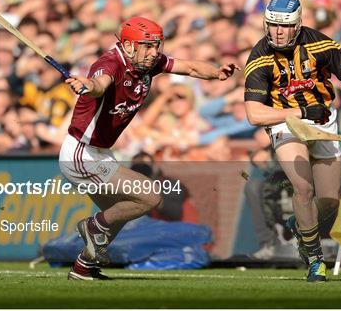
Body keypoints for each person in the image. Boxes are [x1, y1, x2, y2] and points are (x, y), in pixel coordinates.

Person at [59, 16, 239, 280]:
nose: (155, 53)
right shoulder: (109, 64)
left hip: (100, 152)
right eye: (148, 46)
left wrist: (216, 72)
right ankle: (91, 226)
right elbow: (100, 84)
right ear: (129, 46)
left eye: (157, 46)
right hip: (80, 153)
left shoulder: (147, 63)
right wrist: (88, 86)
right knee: (150, 196)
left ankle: (83, 267)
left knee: (120, 212)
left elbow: (188, 68)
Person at [243, 0, 341, 282]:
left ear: (298, 25)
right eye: (273, 25)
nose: (278, 32)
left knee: (330, 203)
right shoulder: (259, 58)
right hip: (286, 122)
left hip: (324, 121)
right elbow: (254, 114)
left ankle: (302, 228)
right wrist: (299, 110)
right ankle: (315, 259)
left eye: (284, 26)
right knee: (302, 188)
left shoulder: (321, 45)